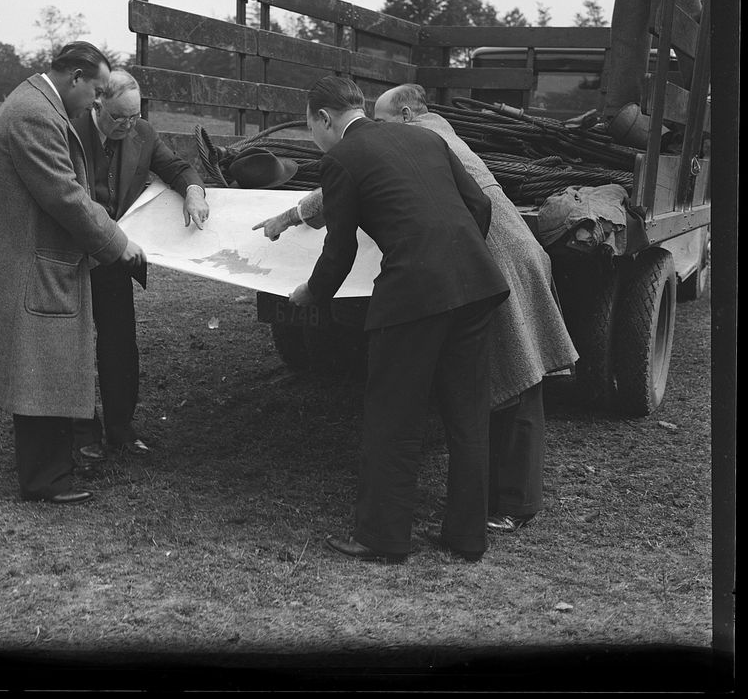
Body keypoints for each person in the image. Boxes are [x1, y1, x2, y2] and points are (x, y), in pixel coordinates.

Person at [258, 83, 579, 534]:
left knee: (517, 377)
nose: (378, 129)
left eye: (385, 121)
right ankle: (475, 521)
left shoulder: (427, 134)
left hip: (500, 255)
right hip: (480, 262)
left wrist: (449, 251)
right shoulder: (430, 135)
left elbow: (353, 175)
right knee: (484, 394)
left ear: (408, 115)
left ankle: (514, 502)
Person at [287, 76, 509, 563]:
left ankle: (382, 538)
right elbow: (480, 204)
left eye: (311, 127)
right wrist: (455, 255)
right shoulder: (426, 136)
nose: (314, 137)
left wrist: (312, 293)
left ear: (324, 119)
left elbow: (339, 247)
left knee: (394, 415)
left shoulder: (340, 159)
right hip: (476, 284)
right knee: (467, 416)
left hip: (413, 297)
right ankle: (467, 537)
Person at [0, 42, 145, 505]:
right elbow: (65, 194)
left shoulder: (35, 104)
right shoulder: (35, 115)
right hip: (32, 265)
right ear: (76, 78)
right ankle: (45, 480)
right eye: (97, 90)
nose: (98, 101)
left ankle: (52, 470)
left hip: (36, 260)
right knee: (40, 367)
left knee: (42, 366)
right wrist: (118, 244)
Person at [69, 68, 209, 459]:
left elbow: (177, 168)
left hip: (116, 257)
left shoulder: (141, 132)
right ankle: (82, 432)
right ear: (97, 104)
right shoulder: (70, 131)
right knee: (73, 345)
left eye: (133, 116)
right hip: (74, 258)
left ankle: (121, 428)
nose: (127, 125)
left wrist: (194, 193)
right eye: (118, 118)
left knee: (120, 344)